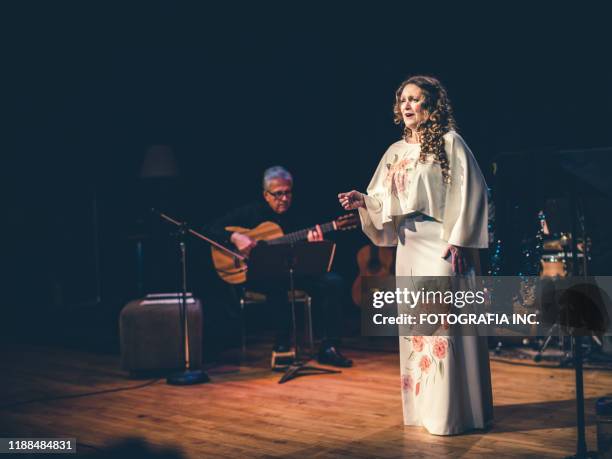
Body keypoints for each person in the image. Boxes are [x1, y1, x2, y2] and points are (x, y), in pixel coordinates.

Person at [338, 75, 493, 434]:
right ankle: (426, 411)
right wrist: (362, 201)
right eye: (403, 99)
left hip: (440, 242)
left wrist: (458, 240)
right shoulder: (395, 151)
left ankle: (452, 415)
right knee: (418, 333)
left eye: (415, 99)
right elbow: (381, 201)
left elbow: (474, 193)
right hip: (409, 244)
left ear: (431, 105)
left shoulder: (450, 142)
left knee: (444, 331)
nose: (407, 105)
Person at [207, 166, 352, 367]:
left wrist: (314, 246)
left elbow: (307, 259)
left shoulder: (300, 215)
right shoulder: (250, 212)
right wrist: (234, 237)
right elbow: (210, 229)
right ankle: (282, 345)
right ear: (266, 195)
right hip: (256, 276)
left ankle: (329, 347)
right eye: (278, 194)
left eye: (287, 192)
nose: (284, 198)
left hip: (294, 272)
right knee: (276, 283)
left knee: (333, 282)